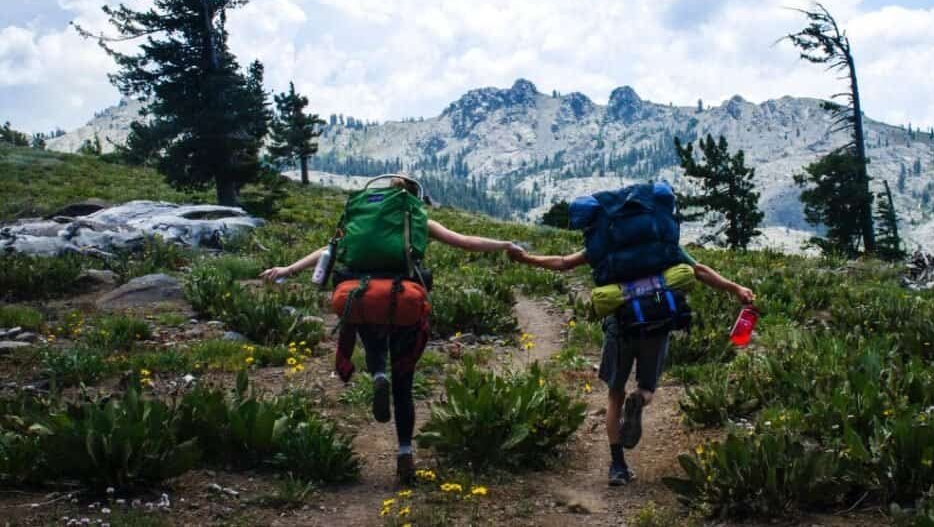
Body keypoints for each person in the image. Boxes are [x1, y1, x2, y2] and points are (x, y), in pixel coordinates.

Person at [261, 177, 524, 484]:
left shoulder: (360, 220)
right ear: (413, 197)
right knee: (405, 383)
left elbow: (327, 250)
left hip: (361, 296)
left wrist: (288, 269)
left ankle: (376, 374)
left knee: (373, 343)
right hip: (403, 299)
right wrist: (505, 244)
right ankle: (403, 453)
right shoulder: (418, 219)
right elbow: (465, 241)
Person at [507, 244, 755, 486]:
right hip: (657, 321)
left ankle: (617, 466)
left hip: (621, 323)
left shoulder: (606, 238)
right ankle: (639, 398)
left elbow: (564, 262)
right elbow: (699, 270)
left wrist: (526, 258)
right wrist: (735, 288)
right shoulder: (660, 237)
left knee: (614, 395)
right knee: (648, 388)